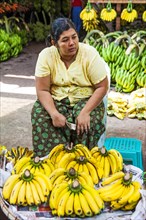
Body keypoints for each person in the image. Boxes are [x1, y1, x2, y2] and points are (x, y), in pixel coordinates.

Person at [31, 17, 109, 157]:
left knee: (88, 120)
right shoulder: (46, 56)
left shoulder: (89, 54)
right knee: (40, 113)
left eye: (74, 37)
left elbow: (102, 86)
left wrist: (85, 112)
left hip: (86, 99)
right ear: (54, 43)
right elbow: (42, 90)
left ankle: (82, 160)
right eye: (65, 40)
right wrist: (54, 113)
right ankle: (54, 159)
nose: (72, 43)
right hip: (57, 98)